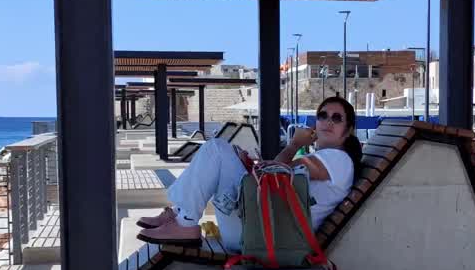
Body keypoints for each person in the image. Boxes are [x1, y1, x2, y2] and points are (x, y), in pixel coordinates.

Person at [136, 97, 361, 250]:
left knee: (217, 149)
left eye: (337, 118)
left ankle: (185, 222)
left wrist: (294, 144)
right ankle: (181, 213)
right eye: (323, 115)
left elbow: (276, 170)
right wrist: (247, 165)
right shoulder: (328, 159)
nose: (328, 121)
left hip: (265, 237)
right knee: (223, 152)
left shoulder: (339, 160)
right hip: (260, 231)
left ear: (349, 130)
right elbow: (273, 176)